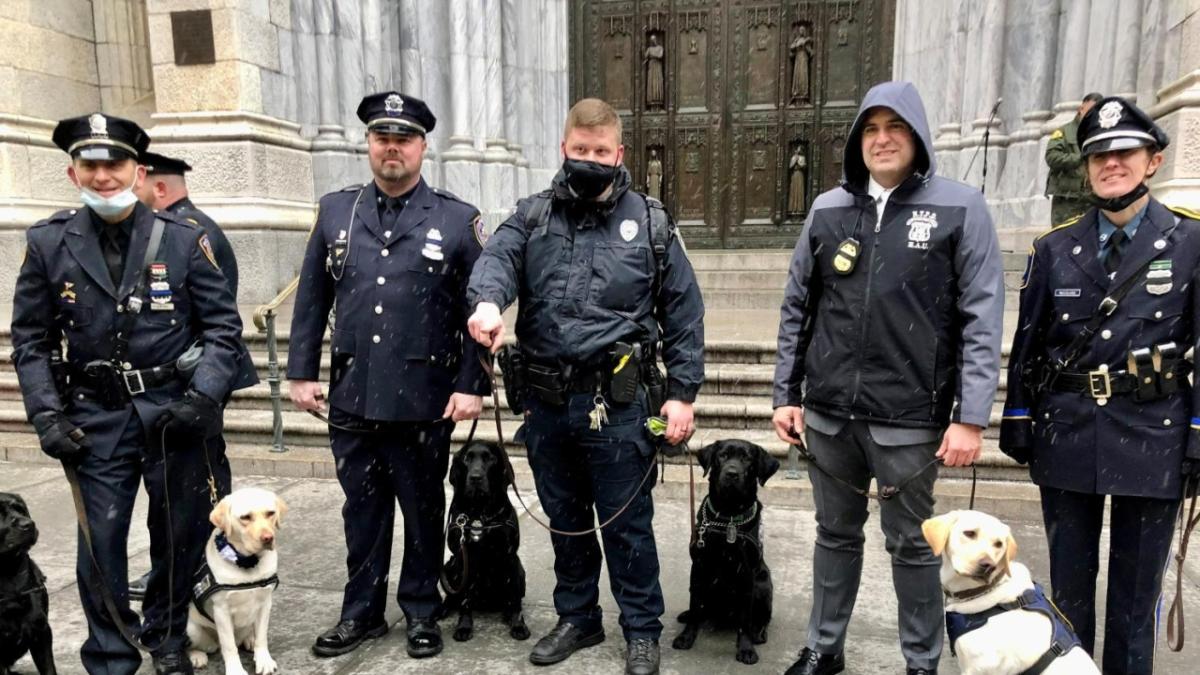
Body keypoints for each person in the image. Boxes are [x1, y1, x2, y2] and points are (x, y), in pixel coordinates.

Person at [10, 113, 257, 675]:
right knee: (100, 545)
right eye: (89, 165)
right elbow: (31, 338)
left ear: (137, 170)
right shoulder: (49, 242)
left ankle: (168, 640)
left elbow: (223, 329)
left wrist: (205, 396)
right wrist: (46, 413)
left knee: (179, 534)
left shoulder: (185, 239)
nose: (102, 176)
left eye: (113, 164)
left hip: (174, 410)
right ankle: (112, 654)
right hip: (95, 414)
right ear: (72, 172)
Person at [772, 81, 1004, 675]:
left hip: (909, 420)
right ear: (858, 141)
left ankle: (922, 661)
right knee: (834, 536)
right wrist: (785, 394)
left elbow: (982, 313)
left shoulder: (960, 208)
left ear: (917, 136)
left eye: (895, 128)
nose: (882, 140)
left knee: (913, 546)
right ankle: (824, 649)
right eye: (871, 130)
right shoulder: (827, 209)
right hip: (828, 415)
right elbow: (799, 304)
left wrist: (971, 416)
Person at [466, 97, 704, 675]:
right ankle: (578, 617)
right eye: (580, 150)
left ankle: (641, 628)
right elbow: (497, 258)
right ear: (564, 149)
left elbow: (684, 309)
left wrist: (683, 392)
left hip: (618, 404)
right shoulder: (532, 215)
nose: (590, 160)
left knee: (628, 526)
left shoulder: (650, 221)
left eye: (601, 152)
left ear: (619, 153)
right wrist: (489, 303)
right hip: (547, 403)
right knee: (567, 521)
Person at [1001, 96, 1200, 675]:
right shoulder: (1055, 247)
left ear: (1154, 161)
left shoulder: (1190, 244)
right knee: (1067, 595)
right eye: (1098, 156)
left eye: (1124, 153)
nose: (1111, 164)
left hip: (1153, 430)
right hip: (1068, 427)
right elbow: (1031, 341)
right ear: (1085, 167)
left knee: (1135, 601)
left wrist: (1197, 436)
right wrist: (1018, 418)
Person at [287, 91, 487, 660]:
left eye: (403, 139)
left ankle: (421, 612)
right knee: (362, 513)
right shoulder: (335, 210)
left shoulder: (456, 218)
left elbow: (480, 310)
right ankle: (362, 613)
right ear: (369, 145)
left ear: (423, 146)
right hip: (353, 396)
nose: (391, 149)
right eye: (382, 138)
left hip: (424, 400)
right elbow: (311, 298)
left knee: (423, 513)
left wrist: (472, 383)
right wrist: (301, 373)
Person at [125, 149, 242, 604]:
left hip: (195, 383)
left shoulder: (192, 232)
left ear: (157, 186)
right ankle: (182, 570)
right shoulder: (164, 230)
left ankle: (206, 568)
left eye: (136, 183)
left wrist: (200, 390)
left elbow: (215, 318)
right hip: (186, 382)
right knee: (188, 489)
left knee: (201, 487)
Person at [134, 151, 239, 297]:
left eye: (136, 188)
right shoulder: (191, 221)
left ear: (160, 189)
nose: (132, 195)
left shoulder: (183, 229)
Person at [1045, 92, 1103, 226]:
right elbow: (1052, 157)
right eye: (1088, 111)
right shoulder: (1064, 132)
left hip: (1093, 198)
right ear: (1081, 109)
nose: (1091, 116)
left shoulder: (1099, 134)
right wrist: (1081, 158)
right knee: (1062, 239)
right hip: (1068, 199)